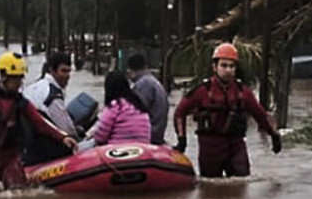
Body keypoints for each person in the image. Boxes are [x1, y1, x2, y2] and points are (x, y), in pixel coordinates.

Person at [0, 51, 76, 188]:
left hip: (9, 154)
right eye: (16, 79)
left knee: (18, 190)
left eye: (21, 78)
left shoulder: (20, 102)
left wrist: (62, 137)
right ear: (4, 77)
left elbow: (40, 122)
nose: (19, 83)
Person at [173, 42, 282, 178]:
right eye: (224, 65)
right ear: (215, 67)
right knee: (210, 189)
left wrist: (274, 135)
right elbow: (180, 112)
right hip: (210, 148)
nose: (228, 70)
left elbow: (260, 115)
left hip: (235, 146)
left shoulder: (243, 92)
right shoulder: (202, 91)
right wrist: (182, 140)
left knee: (241, 182)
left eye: (232, 66)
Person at [23, 51, 78, 164]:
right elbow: (66, 129)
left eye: (69, 71)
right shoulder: (53, 96)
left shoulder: (36, 86)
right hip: (41, 149)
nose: (67, 76)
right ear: (52, 71)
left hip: (26, 145)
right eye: (63, 71)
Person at [89, 70, 152, 146]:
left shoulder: (114, 106)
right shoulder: (140, 106)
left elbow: (100, 137)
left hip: (117, 151)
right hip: (142, 150)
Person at [126, 53, 169, 145]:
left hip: (150, 133)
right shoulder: (152, 81)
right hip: (157, 131)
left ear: (131, 70)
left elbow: (135, 111)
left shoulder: (144, 84)